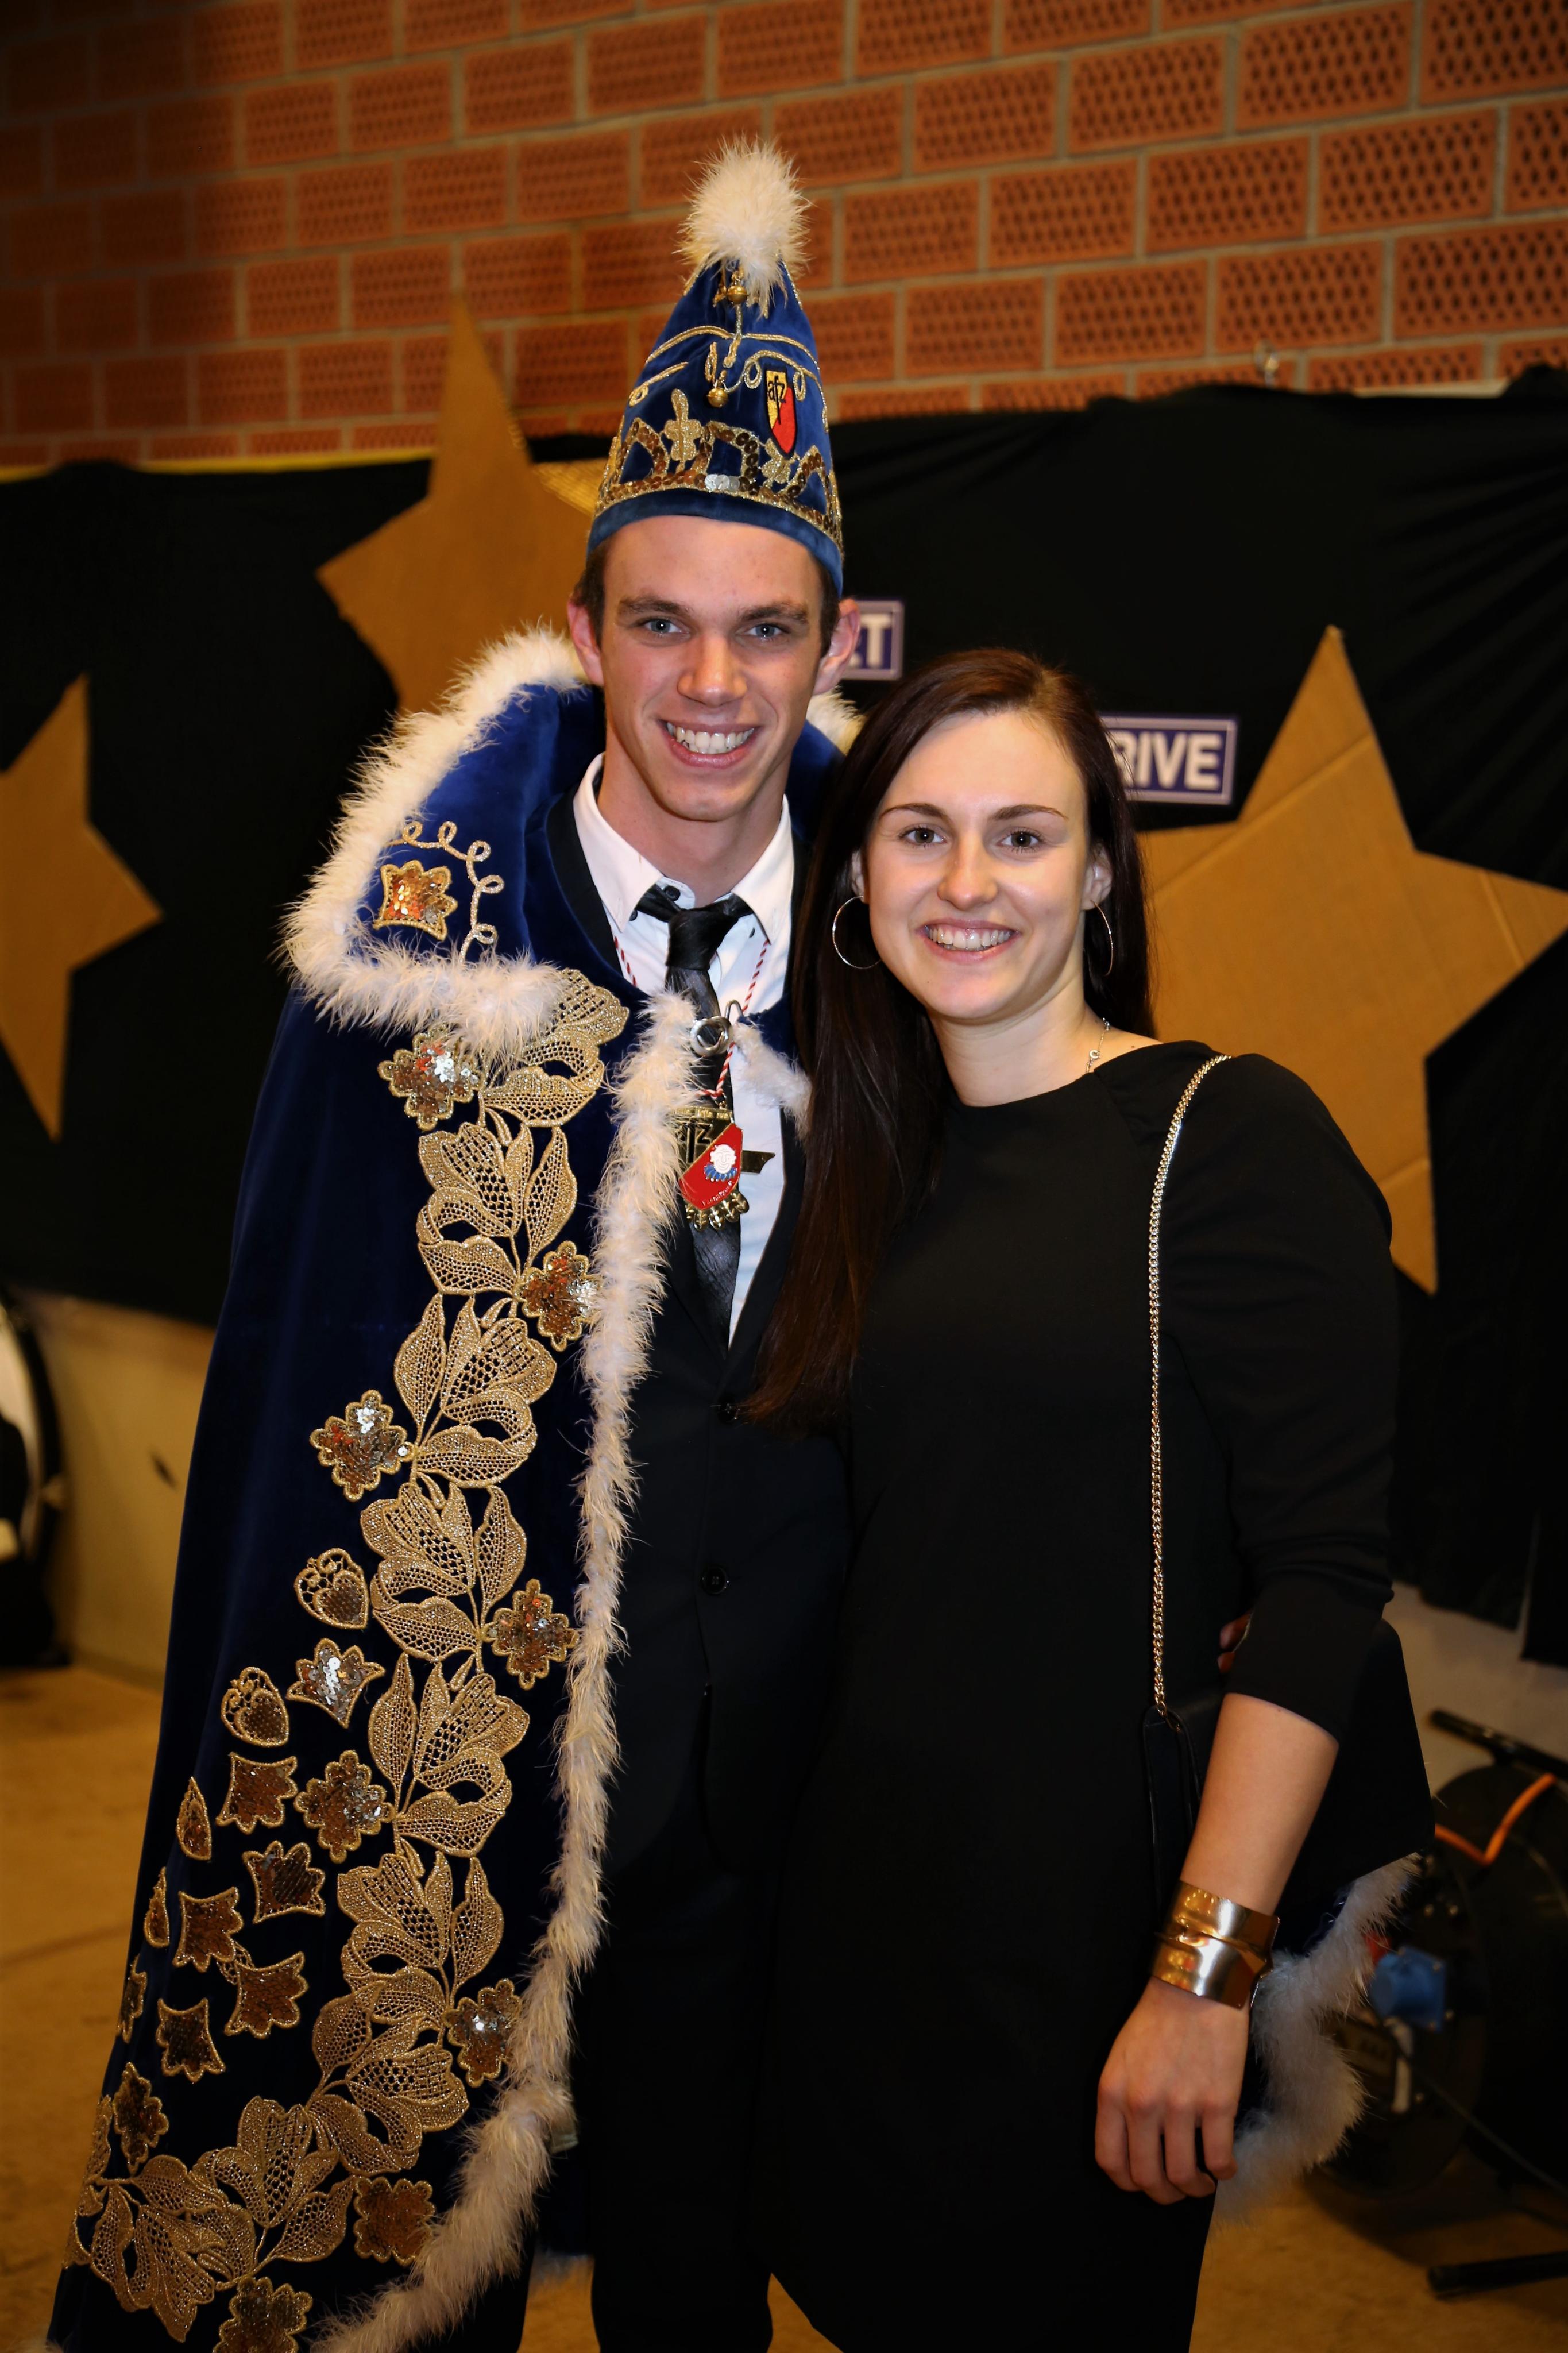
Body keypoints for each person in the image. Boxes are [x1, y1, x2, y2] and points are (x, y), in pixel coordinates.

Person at [52, 144, 862, 2353]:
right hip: (444, 1801)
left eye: (766, 626)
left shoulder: (902, 950)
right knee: (415, 2294)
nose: (712, 682)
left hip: (767, 1815)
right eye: (662, 621)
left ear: (829, 640)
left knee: (705, 2290)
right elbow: (283, 1407)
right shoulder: (409, 975)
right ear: (586, 630)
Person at [750, 650, 1432, 2349]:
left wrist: (1202, 1977)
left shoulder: (1226, 1137)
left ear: (1103, 874)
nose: (966, 883)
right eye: (919, 833)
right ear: (855, 880)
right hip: (857, 1920)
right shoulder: (865, 1167)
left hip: (1085, 1945)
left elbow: (1322, 1589)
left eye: (1023, 834)